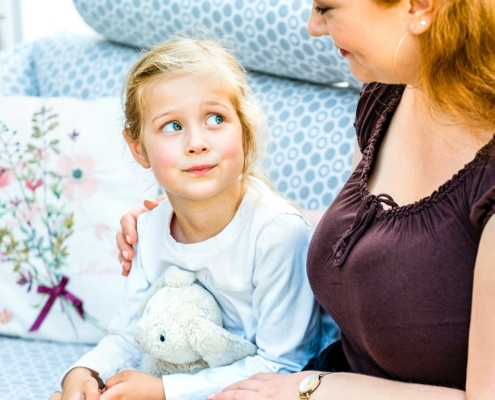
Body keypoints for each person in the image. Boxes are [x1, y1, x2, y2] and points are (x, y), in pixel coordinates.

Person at [117, 0, 495, 399]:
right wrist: (193, 221)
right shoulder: (388, 95)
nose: (313, 26)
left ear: (419, 6)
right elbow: (366, 240)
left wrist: (311, 387)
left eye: (326, 7)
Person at [51, 37, 335, 400]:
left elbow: (285, 364)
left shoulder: (277, 235)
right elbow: (129, 334)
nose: (197, 142)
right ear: (138, 148)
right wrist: (84, 371)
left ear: (245, 132)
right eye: (172, 126)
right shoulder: (148, 228)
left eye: (216, 118)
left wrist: (165, 390)